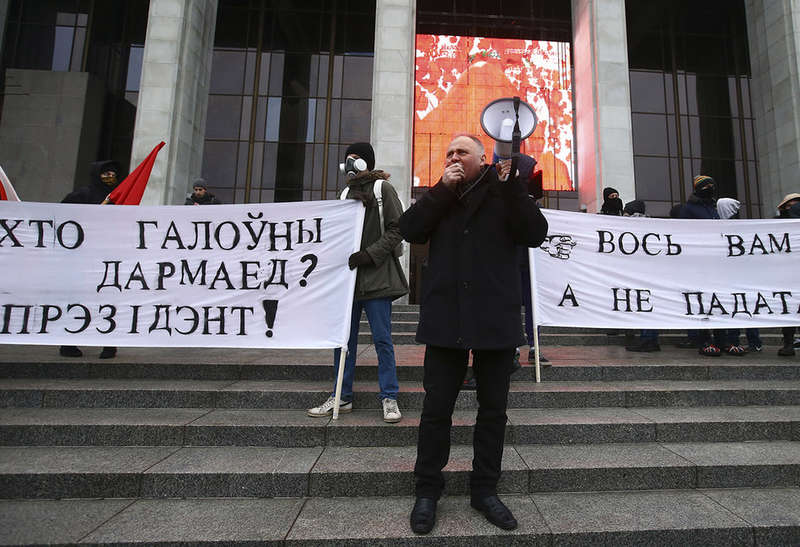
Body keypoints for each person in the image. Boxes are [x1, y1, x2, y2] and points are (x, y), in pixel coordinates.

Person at [399, 135, 548, 534]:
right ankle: (427, 491)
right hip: (446, 319)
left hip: (494, 320)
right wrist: (440, 190)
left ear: (482, 159)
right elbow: (410, 230)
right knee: (436, 411)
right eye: (448, 154)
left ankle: (485, 490)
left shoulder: (504, 191)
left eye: (461, 152)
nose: (453, 158)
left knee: (493, 412)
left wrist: (513, 186)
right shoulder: (440, 195)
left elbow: (535, 233)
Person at [307, 142, 409, 422]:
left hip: (377, 279)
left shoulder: (382, 190)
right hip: (349, 282)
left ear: (365, 163)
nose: (349, 165)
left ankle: (389, 397)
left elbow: (398, 227)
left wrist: (369, 255)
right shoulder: (344, 194)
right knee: (343, 341)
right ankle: (342, 395)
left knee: (382, 340)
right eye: (347, 160)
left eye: (354, 159)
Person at [59, 160, 122, 359]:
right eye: (105, 173)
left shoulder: (120, 196)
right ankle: (68, 343)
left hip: (109, 257)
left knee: (108, 302)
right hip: (84, 259)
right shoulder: (82, 195)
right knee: (79, 301)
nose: (109, 176)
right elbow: (63, 214)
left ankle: (109, 344)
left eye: (112, 172)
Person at [717, 198, 762, 353]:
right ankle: (752, 342)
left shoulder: (733, 228)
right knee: (741, 308)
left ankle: (737, 341)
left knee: (738, 308)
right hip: (739, 276)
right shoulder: (721, 227)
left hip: (734, 276)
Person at [623, 200, 660, 352]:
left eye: (626, 211)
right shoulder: (651, 226)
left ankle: (647, 340)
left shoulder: (631, 226)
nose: (624, 214)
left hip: (639, 273)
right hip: (650, 273)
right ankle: (651, 339)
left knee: (644, 306)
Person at [776, 193, 800, 356]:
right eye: (791, 205)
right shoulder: (776, 225)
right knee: (789, 308)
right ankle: (788, 342)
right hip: (786, 275)